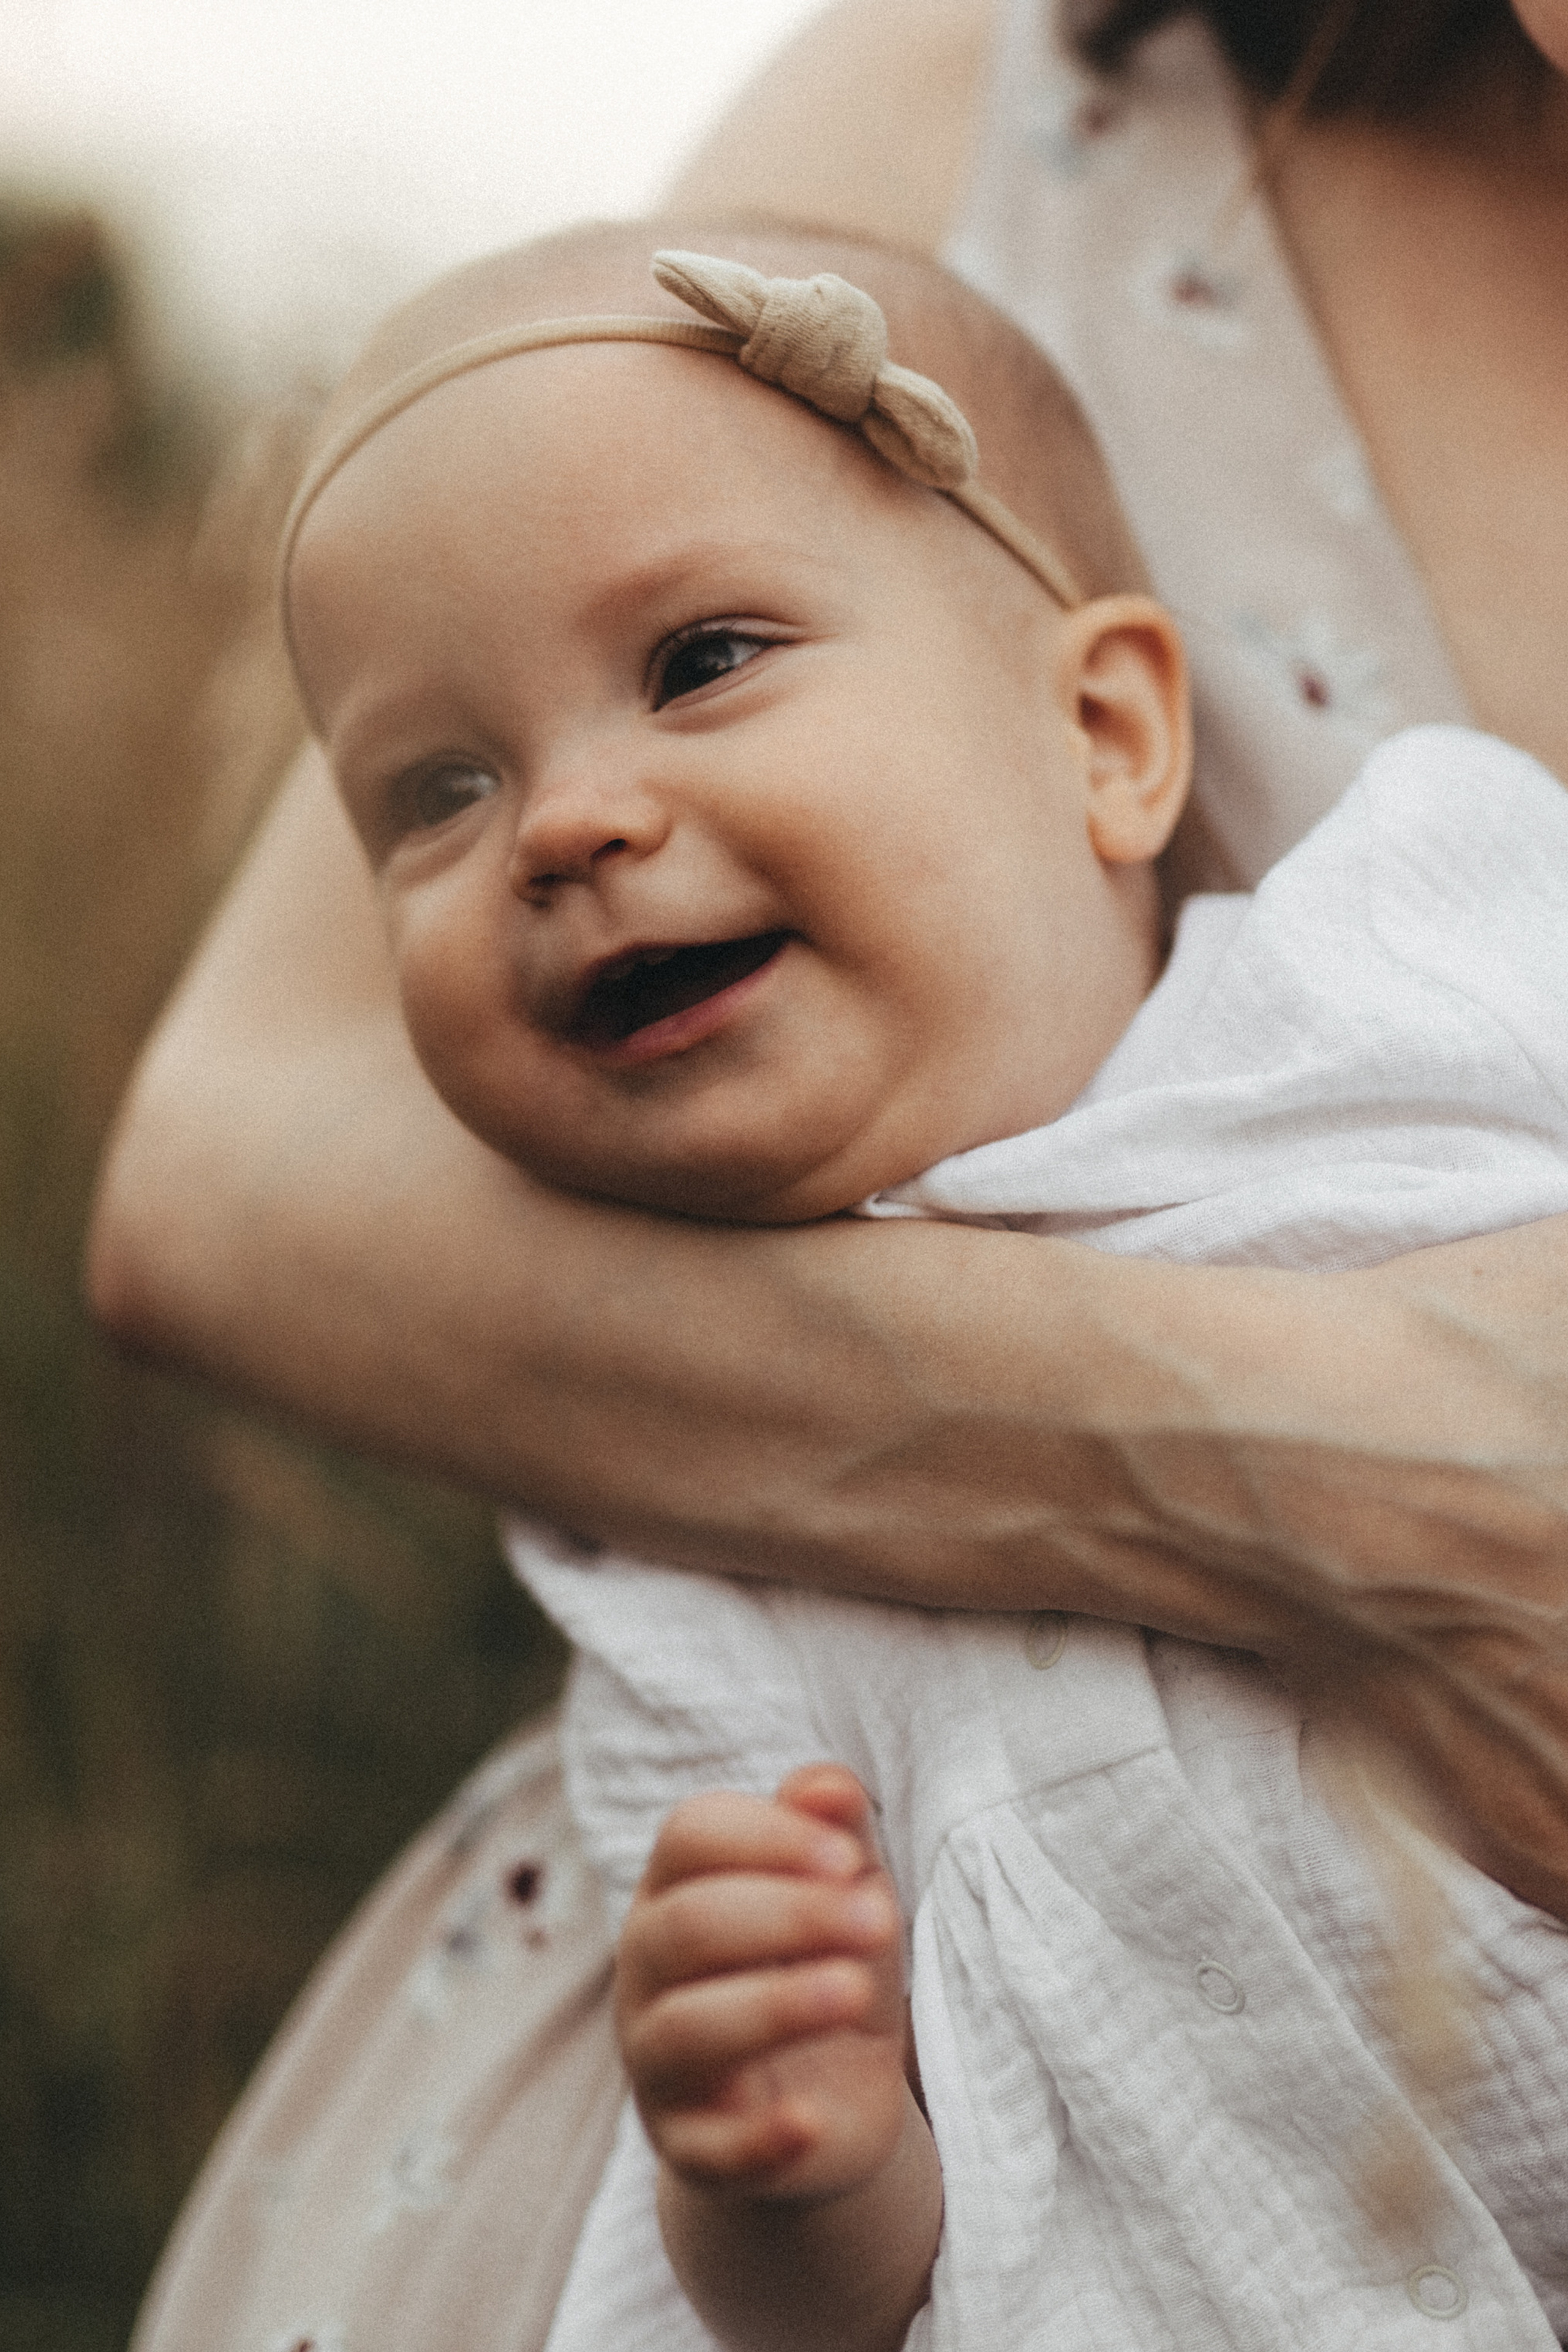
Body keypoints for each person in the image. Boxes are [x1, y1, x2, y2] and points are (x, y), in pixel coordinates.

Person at [95, 4, 1568, 2349]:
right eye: (435, 801)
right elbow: (226, 1170)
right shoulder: (695, 1577)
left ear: (1111, 734)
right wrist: (789, 2163)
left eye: (701, 660)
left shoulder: (1408, 973)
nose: (566, 820)